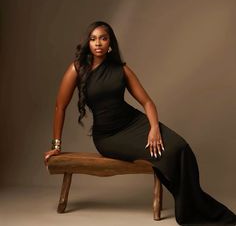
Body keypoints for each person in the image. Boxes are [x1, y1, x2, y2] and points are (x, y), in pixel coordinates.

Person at [44, 21, 236, 225]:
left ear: (110, 43)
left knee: (181, 148)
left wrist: (154, 128)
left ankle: (194, 207)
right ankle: (191, 211)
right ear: (88, 43)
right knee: (163, 156)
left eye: (103, 38)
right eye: (93, 39)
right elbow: (59, 107)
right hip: (110, 137)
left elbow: (147, 102)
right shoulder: (77, 69)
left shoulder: (121, 70)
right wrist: (56, 146)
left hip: (135, 123)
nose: (98, 43)